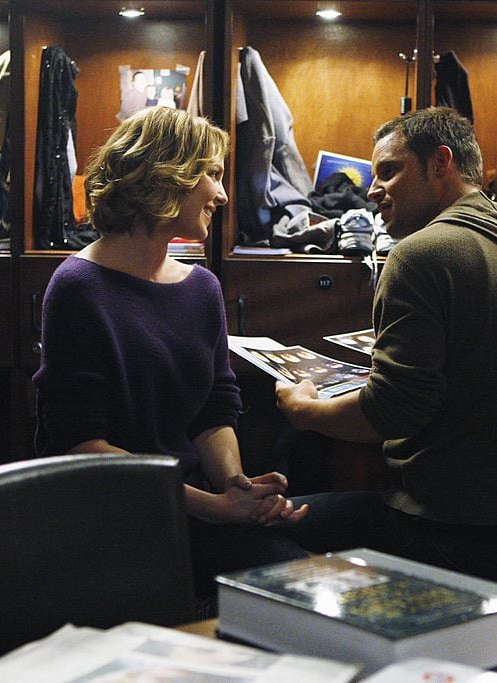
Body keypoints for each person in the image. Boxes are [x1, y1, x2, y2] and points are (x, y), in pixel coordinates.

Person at [275, 107, 497, 580]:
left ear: (440, 163)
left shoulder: (420, 254)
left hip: (457, 534)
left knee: (265, 523)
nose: (372, 190)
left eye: (389, 171)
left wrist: (304, 409)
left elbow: (392, 412)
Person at [33, 106, 310, 601]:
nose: (223, 195)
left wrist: (236, 489)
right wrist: (214, 508)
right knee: (294, 581)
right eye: (213, 175)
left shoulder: (201, 286)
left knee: (329, 552)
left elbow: (213, 411)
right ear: (168, 174)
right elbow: (81, 444)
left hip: (191, 504)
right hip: (114, 517)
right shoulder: (78, 287)